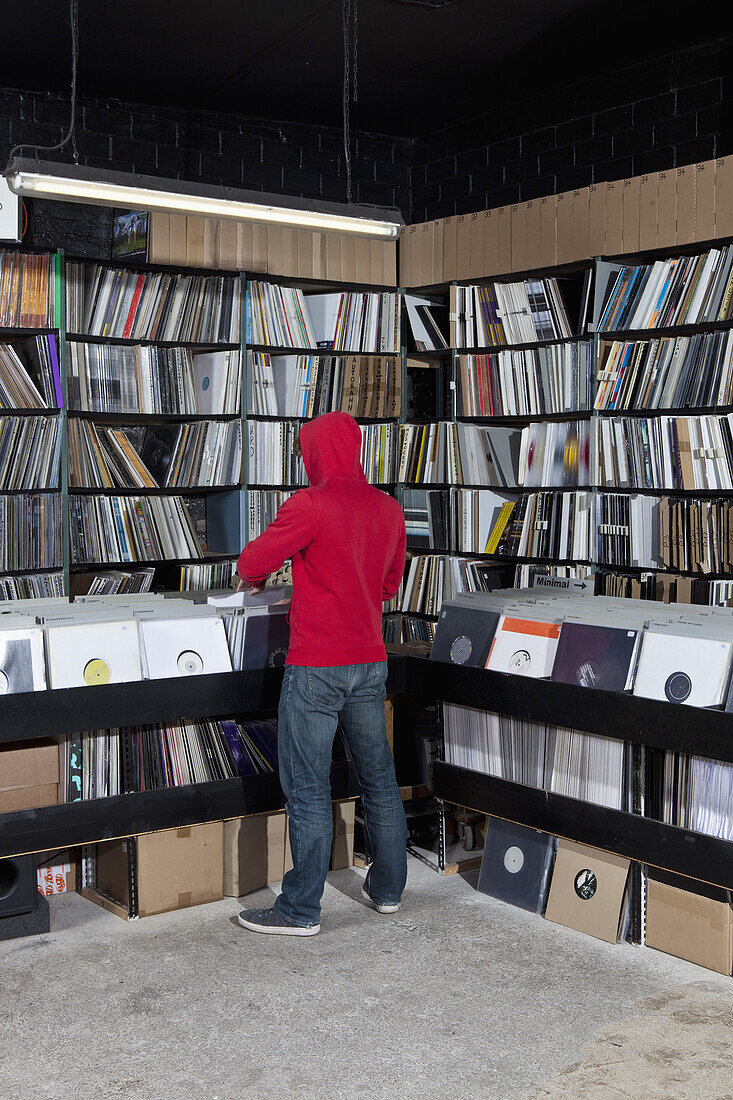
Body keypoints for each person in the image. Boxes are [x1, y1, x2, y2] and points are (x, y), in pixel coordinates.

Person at [236, 410, 408, 936]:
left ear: (313, 452)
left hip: (316, 665)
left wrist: (275, 575)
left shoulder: (309, 504)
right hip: (369, 662)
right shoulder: (388, 508)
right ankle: (386, 891)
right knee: (379, 779)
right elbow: (387, 587)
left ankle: (299, 909)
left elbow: (249, 564)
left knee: (308, 787)